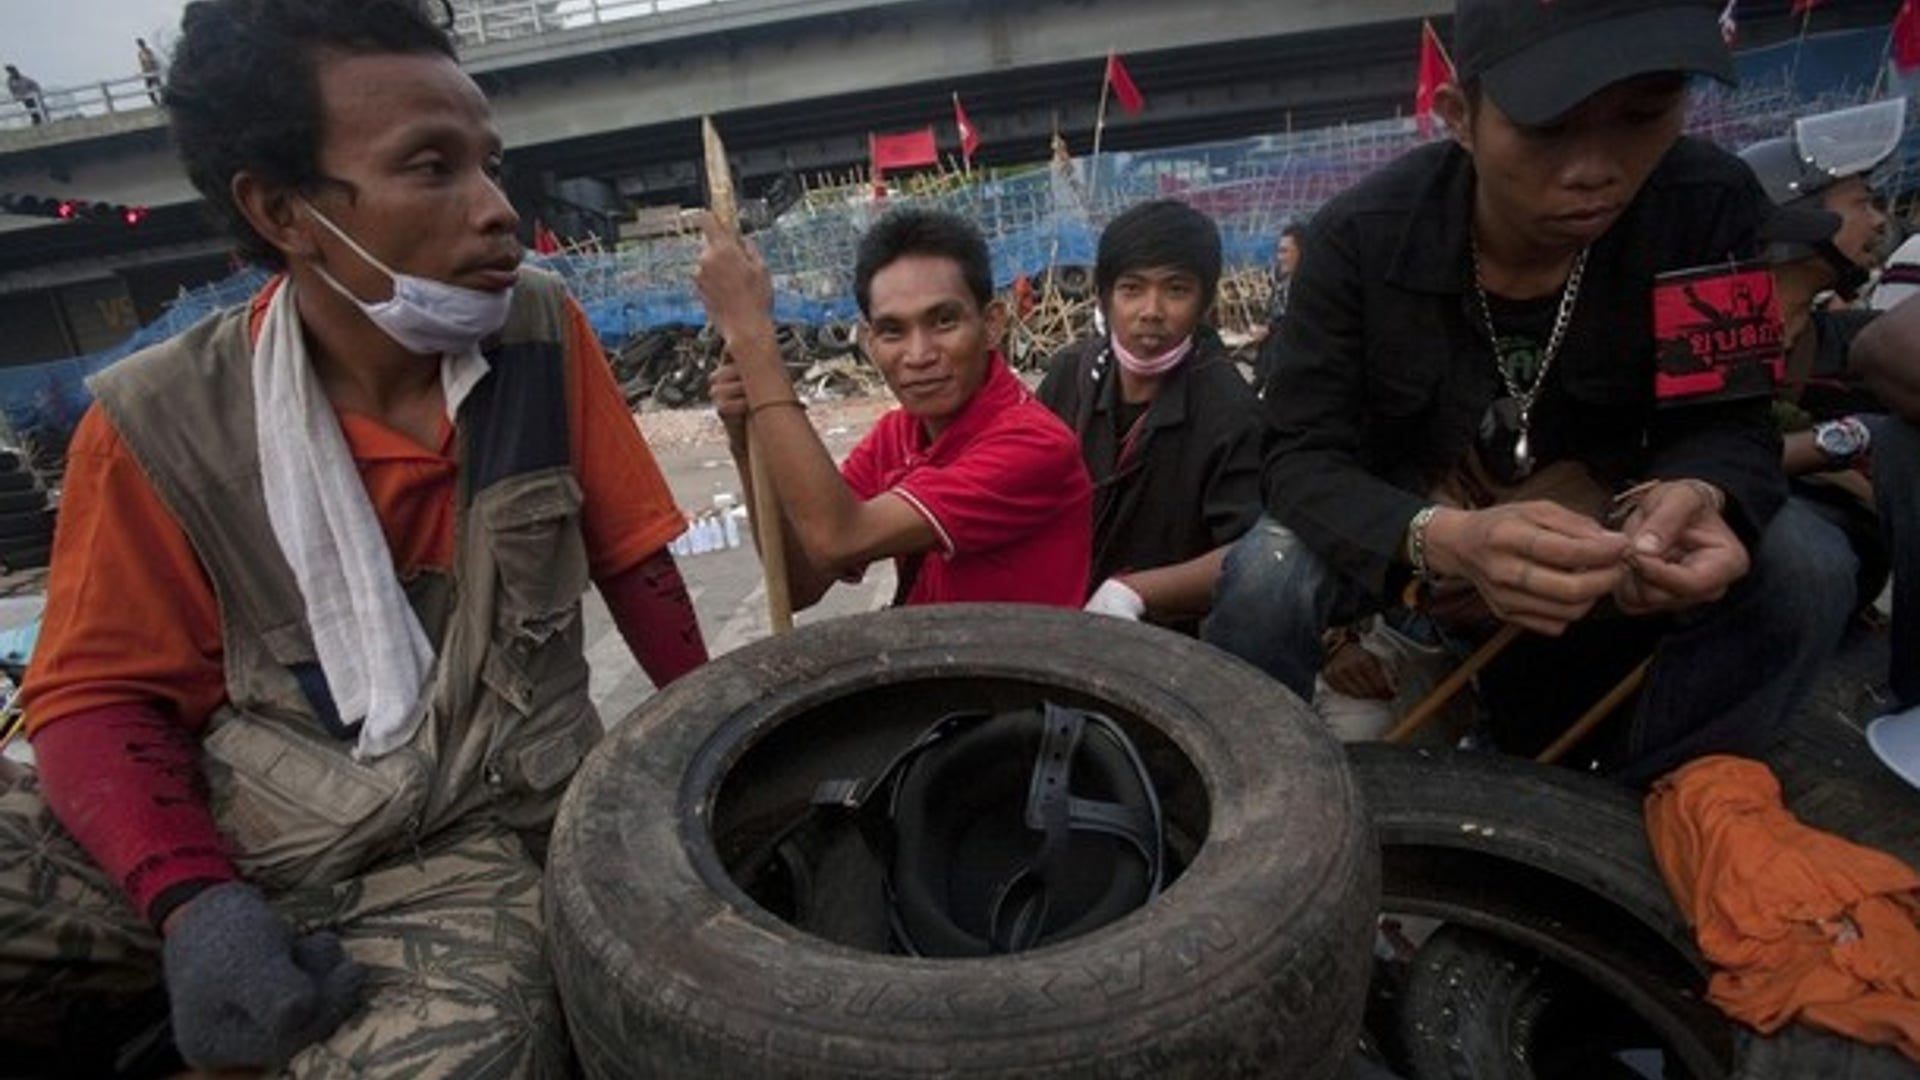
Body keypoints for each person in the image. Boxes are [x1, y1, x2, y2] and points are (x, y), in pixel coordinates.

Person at [0, 1, 707, 1075]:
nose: (497, 212)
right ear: (283, 209)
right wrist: (196, 904)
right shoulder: (156, 424)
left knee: (458, 1060)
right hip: (239, 819)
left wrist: (723, 759)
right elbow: (96, 699)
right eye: (434, 169)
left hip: (465, 839)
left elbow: (636, 568)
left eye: (490, 164)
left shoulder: (542, 335)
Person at [1204, 0, 1850, 782]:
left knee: (1807, 567)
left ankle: (1650, 806)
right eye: (1550, 128)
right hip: (1408, 524)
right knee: (1267, 572)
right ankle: (1253, 800)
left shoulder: (1710, 207)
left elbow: (1733, 421)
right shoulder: (1358, 240)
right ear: (1460, 117)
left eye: (1644, 116)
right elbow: (1300, 460)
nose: (1596, 169)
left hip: (1609, 524)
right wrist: (1439, 538)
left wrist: (1704, 492)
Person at [698, 207, 1092, 611]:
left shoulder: (1034, 445)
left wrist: (752, 337)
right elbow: (799, 585)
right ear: (869, 341)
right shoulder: (897, 434)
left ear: (991, 324)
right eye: (893, 331)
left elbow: (838, 538)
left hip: (1015, 669)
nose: (919, 355)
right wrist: (746, 442)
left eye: (943, 322)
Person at [1739, 103, 1916, 707]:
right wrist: (1839, 448)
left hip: (1848, 549)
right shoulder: (1711, 327)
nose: (1879, 220)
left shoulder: (1847, 337)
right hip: (1738, 524)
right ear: (1798, 216)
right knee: (1807, 562)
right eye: (1861, 202)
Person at [1035, 198, 1267, 634]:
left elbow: (1255, 553)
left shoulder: (1230, 410)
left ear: (1204, 302)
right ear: (1104, 296)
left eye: (1176, 290)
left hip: (1169, 643)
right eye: (1132, 289)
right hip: (1060, 618)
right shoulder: (1071, 373)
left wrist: (1136, 592)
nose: (1151, 311)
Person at [1250, 221, 1304, 395]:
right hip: (1269, 362)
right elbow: (1272, 315)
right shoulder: (1282, 283)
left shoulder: (1310, 289)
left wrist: (1269, 329)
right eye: (1279, 251)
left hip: (1289, 367)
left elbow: (1297, 322)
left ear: (1302, 252)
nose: (1279, 257)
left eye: (1285, 251)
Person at [136, 37, 162, 104]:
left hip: (153, 72)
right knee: (149, 89)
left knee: (159, 87)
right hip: (147, 73)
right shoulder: (140, 54)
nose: (141, 45)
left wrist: (155, 69)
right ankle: (155, 102)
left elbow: (153, 61)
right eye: (139, 44)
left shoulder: (149, 51)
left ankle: (163, 100)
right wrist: (143, 72)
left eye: (141, 43)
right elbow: (142, 64)